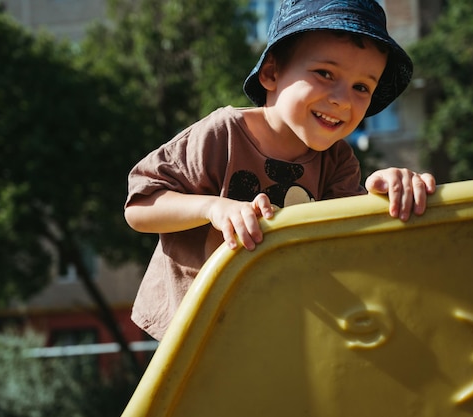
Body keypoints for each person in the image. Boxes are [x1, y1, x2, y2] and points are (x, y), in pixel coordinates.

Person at [124, 0, 436, 341]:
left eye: (361, 87)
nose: (342, 100)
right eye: (325, 74)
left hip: (280, 324)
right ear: (271, 73)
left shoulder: (338, 161)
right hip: (194, 331)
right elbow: (140, 207)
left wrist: (380, 194)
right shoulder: (222, 135)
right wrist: (211, 207)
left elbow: (347, 242)